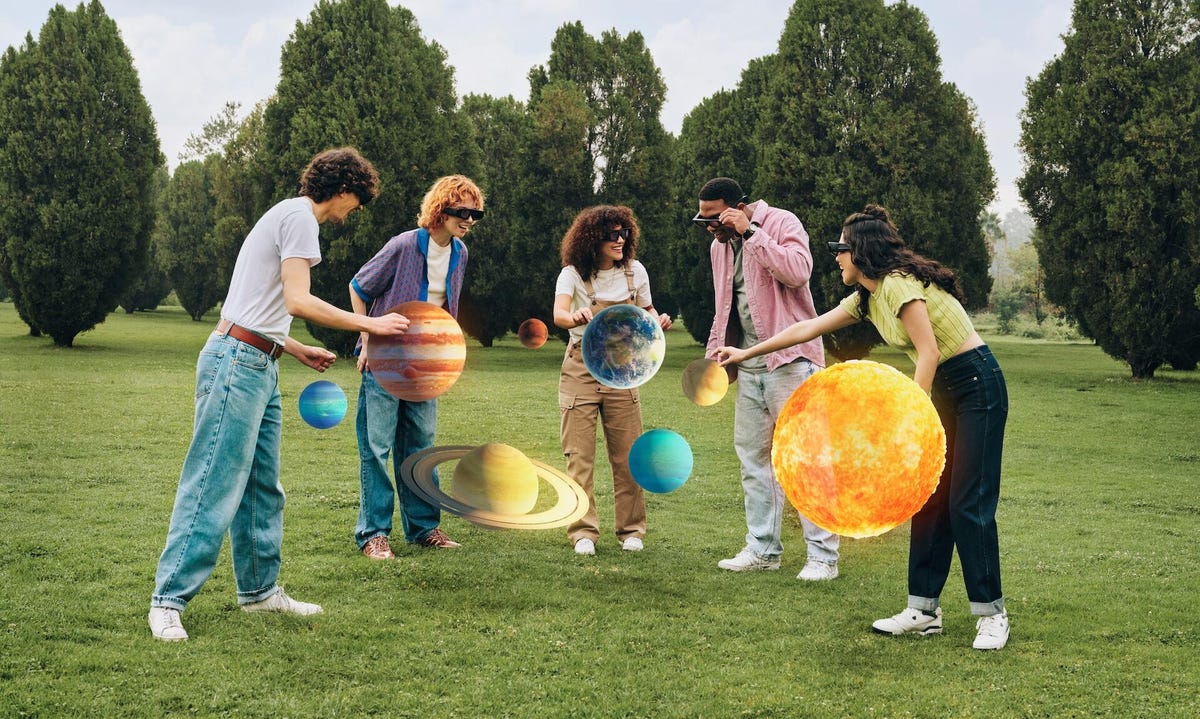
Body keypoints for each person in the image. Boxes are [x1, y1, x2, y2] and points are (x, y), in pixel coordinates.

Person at [717, 204, 1010, 651]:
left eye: (840, 248)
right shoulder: (869, 296)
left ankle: (991, 614)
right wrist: (744, 353)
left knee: (967, 502)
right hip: (948, 390)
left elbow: (928, 352)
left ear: (861, 251)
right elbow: (807, 328)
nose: (834, 257)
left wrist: (909, 417)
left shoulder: (897, 284)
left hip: (977, 385)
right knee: (929, 502)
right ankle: (923, 610)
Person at [149, 147, 410, 642]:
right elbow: (298, 298)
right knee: (213, 480)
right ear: (343, 190)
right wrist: (370, 324)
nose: (351, 213)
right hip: (237, 363)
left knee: (262, 486)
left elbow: (254, 304)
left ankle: (260, 592)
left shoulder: (285, 217)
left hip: (258, 360)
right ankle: (167, 601)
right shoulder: (301, 218)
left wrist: (291, 348)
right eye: (355, 202)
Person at [696, 177, 840, 580]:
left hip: (793, 363)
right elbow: (724, 306)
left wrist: (751, 234)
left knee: (806, 459)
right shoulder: (718, 248)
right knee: (753, 461)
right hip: (750, 366)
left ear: (738, 207)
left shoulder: (781, 222)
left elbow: (798, 272)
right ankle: (763, 549)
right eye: (701, 220)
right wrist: (714, 357)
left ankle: (823, 558)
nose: (709, 227)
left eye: (715, 218)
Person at [350, 175, 484, 559]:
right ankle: (373, 534)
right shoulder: (404, 246)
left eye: (476, 213)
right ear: (441, 210)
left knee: (421, 446)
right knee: (376, 448)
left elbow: (444, 311)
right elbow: (358, 288)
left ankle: (424, 528)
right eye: (463, 212)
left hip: (427, 367)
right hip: (385, 362)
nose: (470, 220)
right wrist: (367, 340)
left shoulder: (460, 254)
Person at [553, 205, 672, 556]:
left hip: (623, 371)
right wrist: (572, 315)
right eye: (611, 235)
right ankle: (583, 532)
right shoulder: (572, 274)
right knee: (580, 457)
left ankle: (631, 531)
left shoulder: (636, 273)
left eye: (624, 233)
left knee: (628, 456)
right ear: (592, 239)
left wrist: (657, 320)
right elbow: (558, 313)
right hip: (580, 369)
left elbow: (646, 311)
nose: (620, 240)